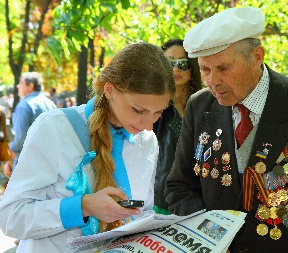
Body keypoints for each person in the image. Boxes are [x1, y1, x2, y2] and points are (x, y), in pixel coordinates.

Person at [164, 7, 288, 253]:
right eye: (205, 69)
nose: (213, 81)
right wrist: (211, 235)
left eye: (224, 68)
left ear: (257, 56)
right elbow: (179, 186)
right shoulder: (199, 106)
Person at [0, 42, 175, 252]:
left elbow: (142, 211)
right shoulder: (54, 128)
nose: (148, 125)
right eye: (138, 110)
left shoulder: (146, 141)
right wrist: (83, 206)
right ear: (110, 90)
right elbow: (11, 217)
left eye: (158, 113)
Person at [153, 39, 202, 214]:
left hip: (198, 197)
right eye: (169, 63)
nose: (175, 69)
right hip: (160, 199)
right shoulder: (153, 107)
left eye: (182, 64)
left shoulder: (205, 106)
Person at [2, 72, 56, 178]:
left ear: (30, 86)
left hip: (27, 163)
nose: (18, 86)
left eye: (21, 83)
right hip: (49, 163)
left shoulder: (24, 105)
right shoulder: (51, 104)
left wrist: (10, 161)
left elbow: (19, 136)